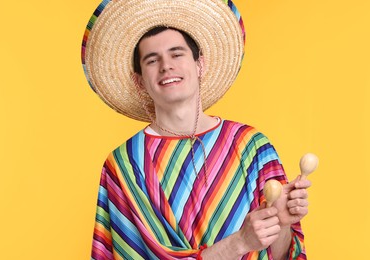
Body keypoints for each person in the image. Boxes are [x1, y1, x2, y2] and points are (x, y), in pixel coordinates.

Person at [81, 0, 311, 259]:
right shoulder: (124, 165)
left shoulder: (252, 147)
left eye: (177, 54)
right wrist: (239, 243)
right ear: (139, 81)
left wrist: (281, 223)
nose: (166, 65)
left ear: (199, 64)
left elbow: (280, 255)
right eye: (152, 60)